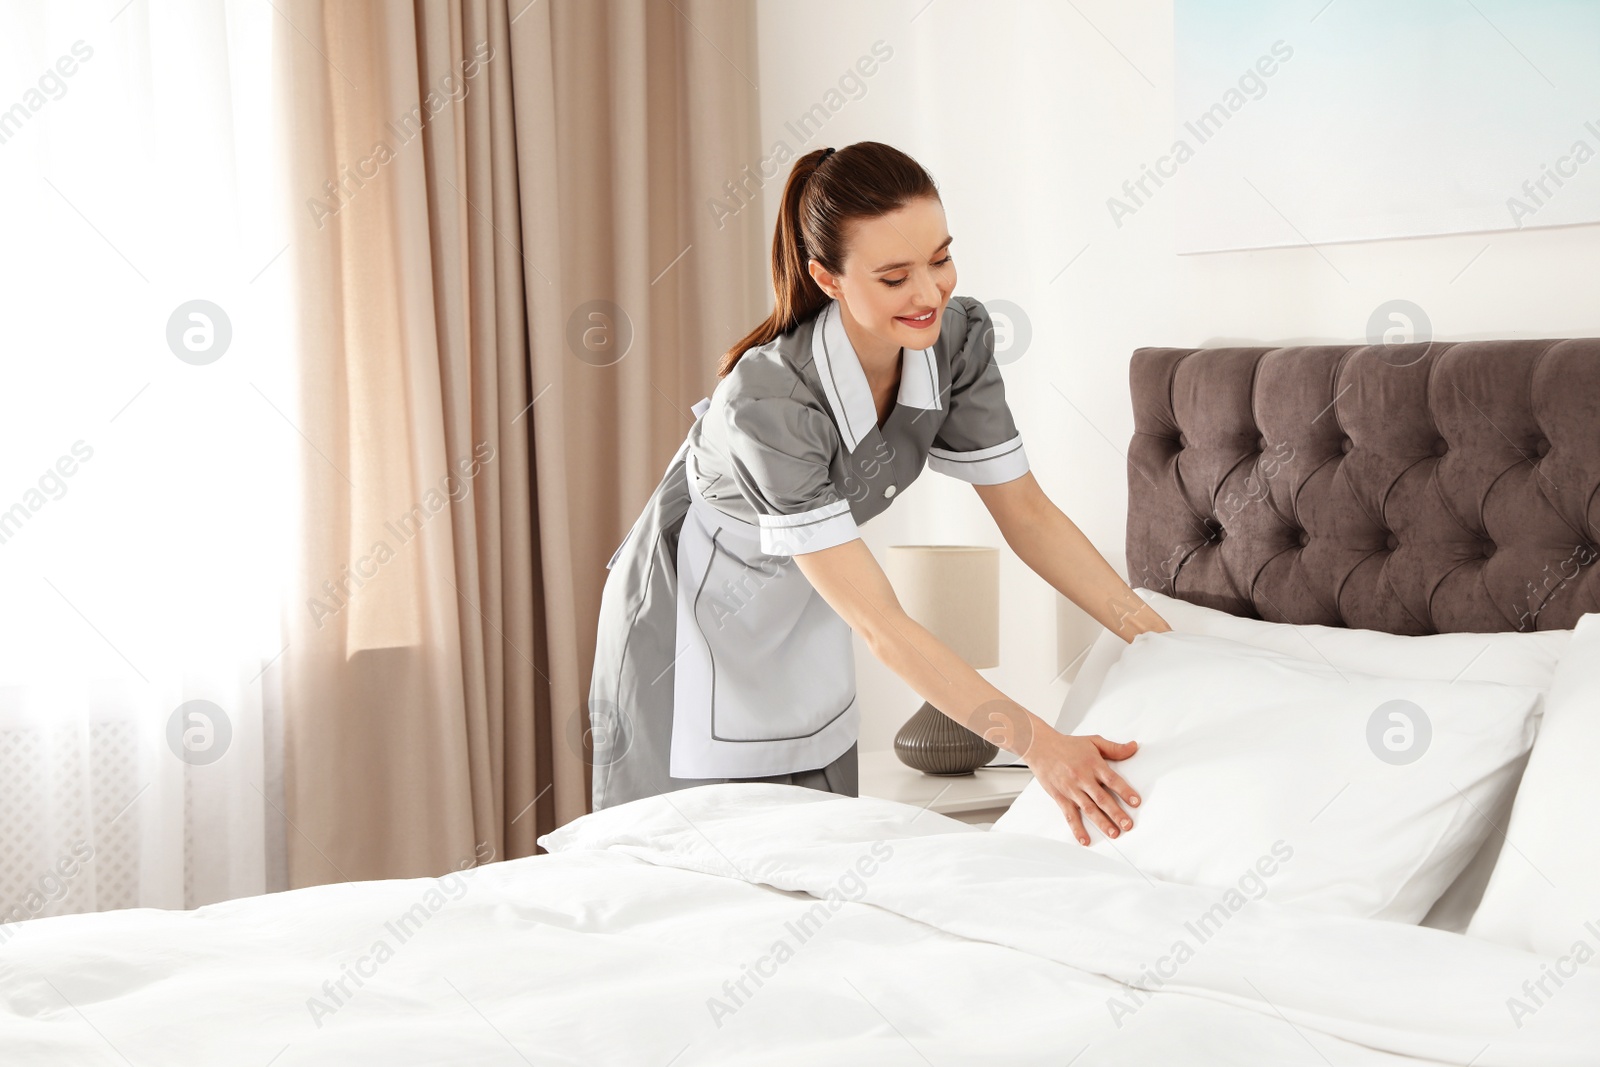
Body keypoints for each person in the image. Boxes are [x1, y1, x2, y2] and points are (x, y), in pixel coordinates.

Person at [586, 141, 1171, 846]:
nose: (929, 294)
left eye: (940, 259)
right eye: (895, 277)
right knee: (680, 871)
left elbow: (1027, 513)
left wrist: (1159, 640)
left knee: (820, 865)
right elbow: (880, 625)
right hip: (686, 620)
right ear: (826, 278)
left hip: (813, 601)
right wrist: (1041, 746)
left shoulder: (957, 343)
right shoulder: (768, 400)